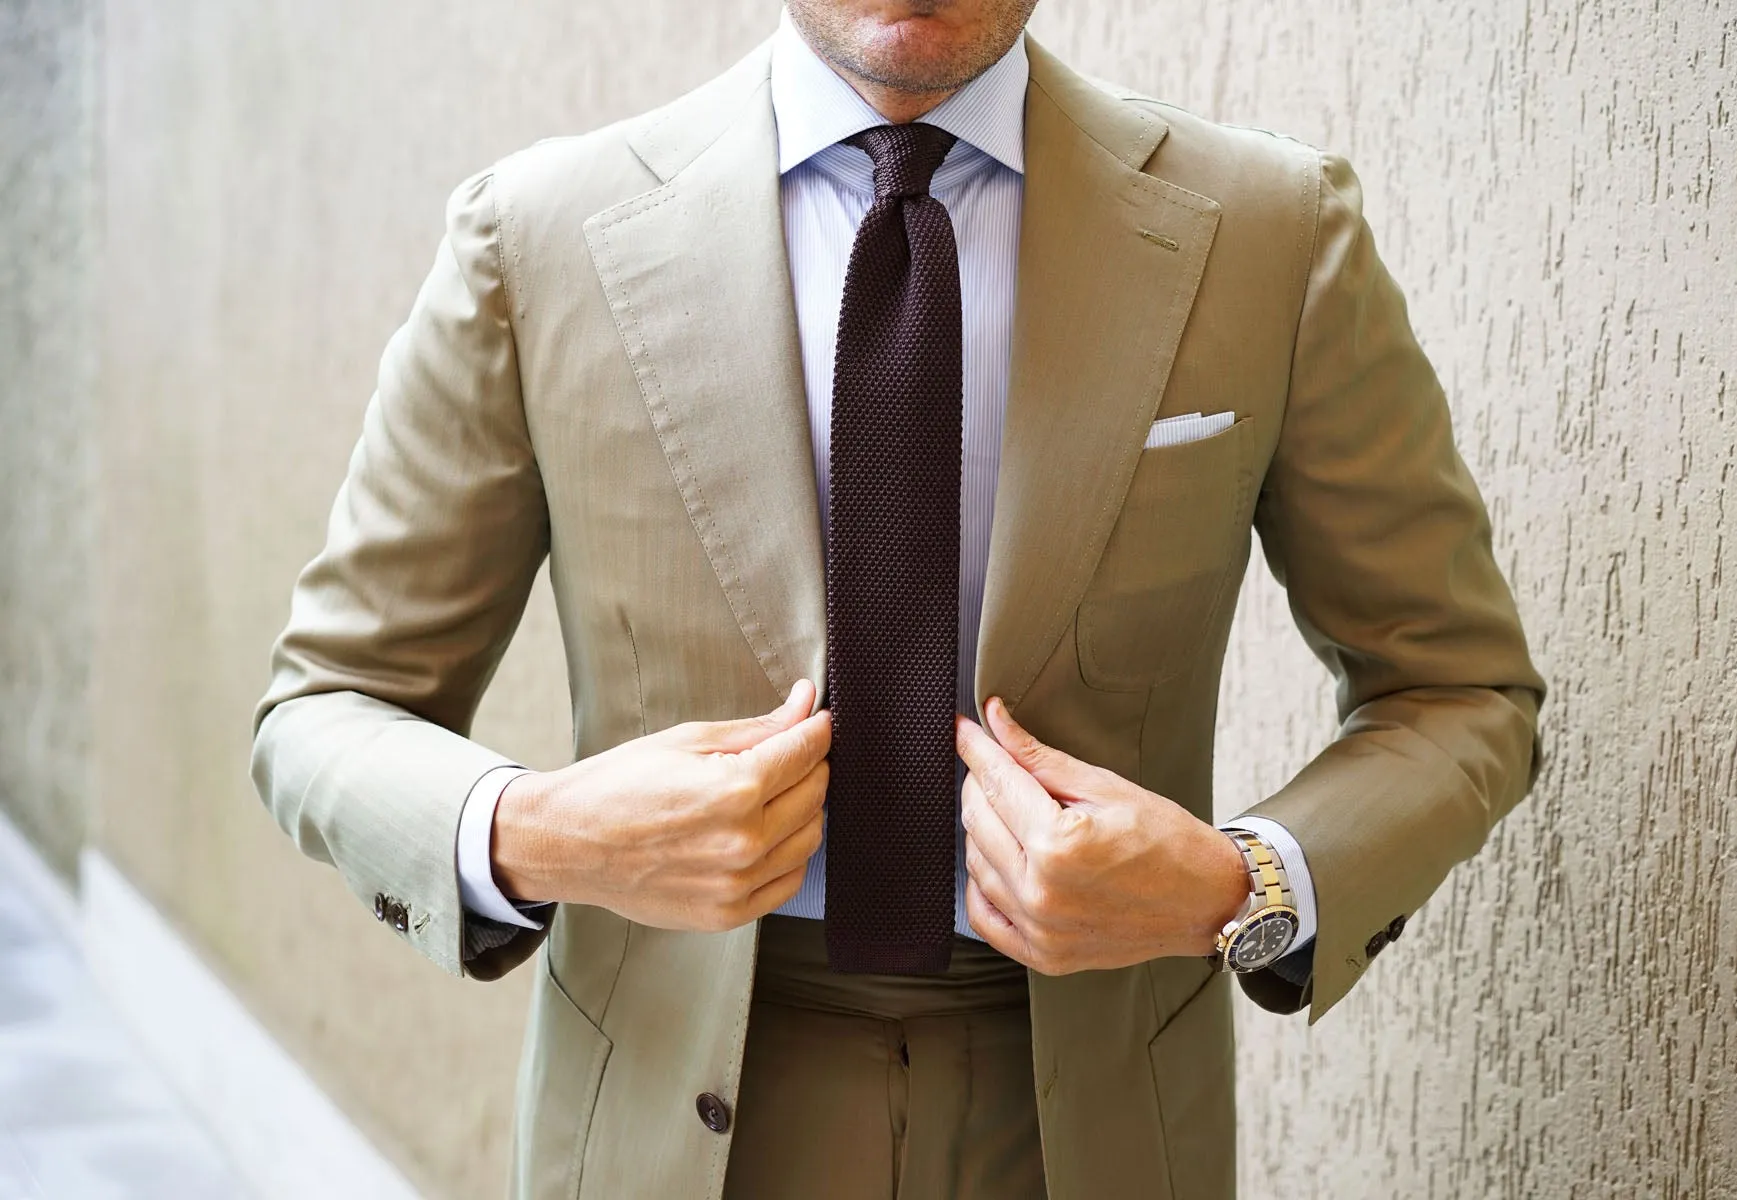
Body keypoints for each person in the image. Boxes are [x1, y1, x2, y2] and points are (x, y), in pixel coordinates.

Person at [251, 1, 1544, 1196]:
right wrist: (541, 832)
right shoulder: (532, 236)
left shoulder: (1271, 229)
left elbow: (1458, 689)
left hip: (1092, 1116)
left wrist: (1241, 881)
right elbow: (328, 706)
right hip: (670, 1114)